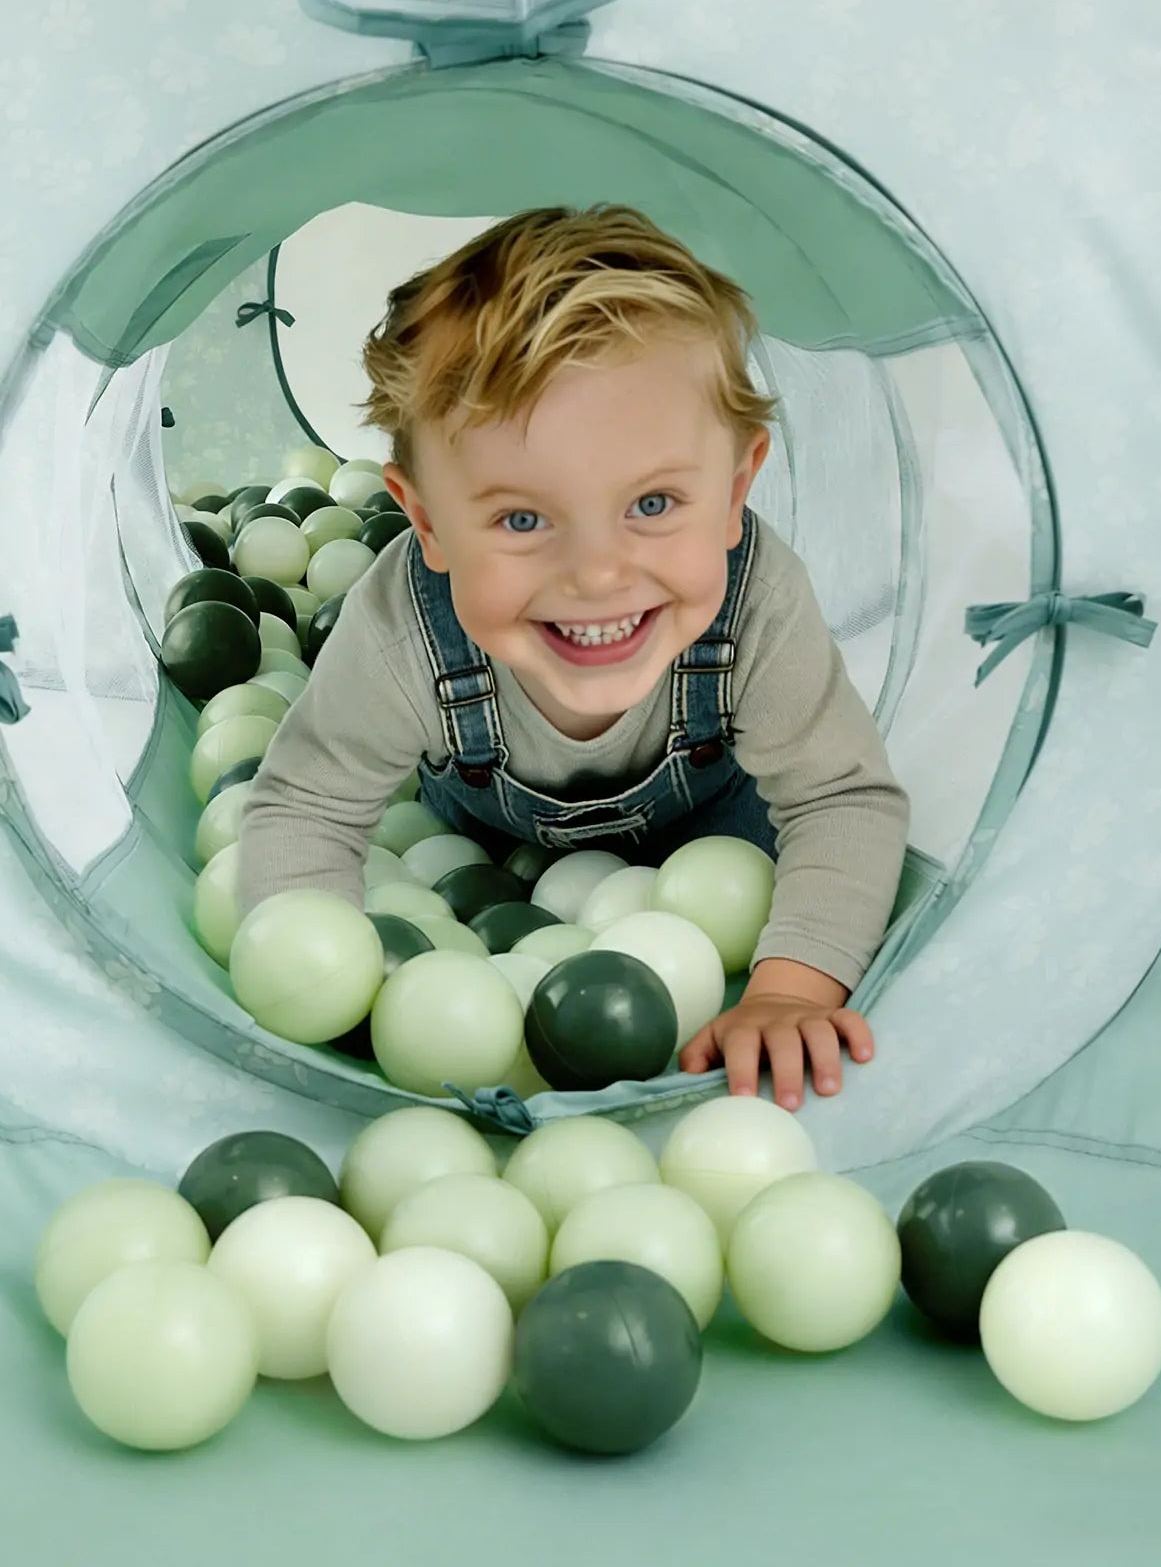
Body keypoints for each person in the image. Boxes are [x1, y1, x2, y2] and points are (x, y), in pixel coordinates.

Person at [236, 205, 909, 1110]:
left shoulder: (760, 600)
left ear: (737, 488)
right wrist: (326, 992)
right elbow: (306, 807)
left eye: (655, 504)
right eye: (522, 519)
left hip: (716, 841)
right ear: (426, 520)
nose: (596, 573)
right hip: (473, 843)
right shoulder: (402, 624)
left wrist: (789, 988)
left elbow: (842, 800)